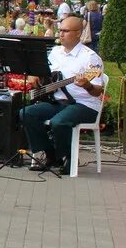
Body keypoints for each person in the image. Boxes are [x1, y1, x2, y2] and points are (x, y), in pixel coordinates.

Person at [18, 15, 107, 173]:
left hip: (84, 105)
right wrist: (35, 75)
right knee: (27, 113)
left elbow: (97, 91)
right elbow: (45, 74)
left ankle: (68, 157)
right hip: (58, 101)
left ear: (78, 33)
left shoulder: (90, 58)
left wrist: (87, 85)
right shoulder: (55, 52)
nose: (61, 34)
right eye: (60, 30)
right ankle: (49, 154)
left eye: (65, 31)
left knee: (59, 122)